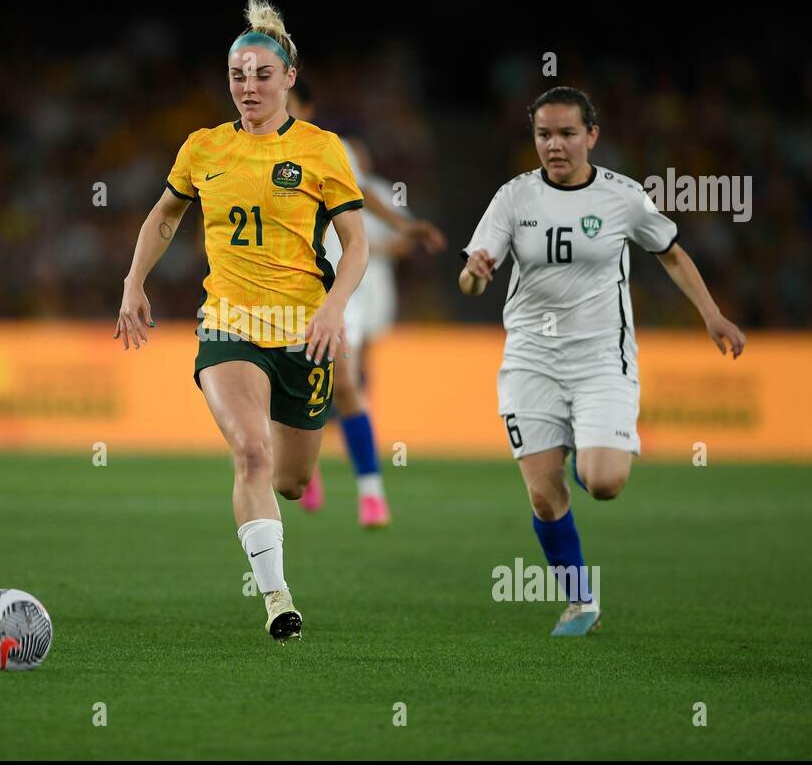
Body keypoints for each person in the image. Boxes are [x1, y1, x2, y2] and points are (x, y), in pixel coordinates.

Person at [115, 0, 369, 643]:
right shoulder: (203, 148)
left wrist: (334, 307)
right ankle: (278, 600)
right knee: (251, 453)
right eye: (237, 75)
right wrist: (134, 281)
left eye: (261, 75)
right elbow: (166, 214)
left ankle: (295, 503)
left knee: (291, 480)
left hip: (304, 331)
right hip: (228, 326)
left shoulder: (321, 150)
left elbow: (356, 244)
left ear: (289, 78)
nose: (248, 87)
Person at [459, 86, 746, 635]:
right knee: (544, 497)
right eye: (544, 134)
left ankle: (585, 455)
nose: (554, 145)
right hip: (530, 359)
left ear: (591, 135)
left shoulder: (623, 196)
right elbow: (470, 281)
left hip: (600, 359)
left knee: (605, 481)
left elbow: (671, 253)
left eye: (567, 133)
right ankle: (580, 601)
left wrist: (712, 315)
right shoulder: (514, 198)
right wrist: (474, 274)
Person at [287, 79, 446, 528]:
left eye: (287, 99)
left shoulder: (328, 148)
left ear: (305, 106)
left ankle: (370, 491)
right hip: (279, 290)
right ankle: (303, 466)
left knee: (345, 382)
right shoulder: (248, 148)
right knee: (290, 388)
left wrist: (401, 225)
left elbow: (359, 193)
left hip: (335, 292)